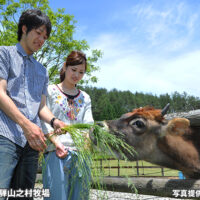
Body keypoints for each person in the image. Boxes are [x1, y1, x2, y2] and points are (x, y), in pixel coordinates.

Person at [0, 9, 65, 199]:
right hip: (5, 136)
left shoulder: (42, 71)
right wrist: (26, 124)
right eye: (38, 33)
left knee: (23, 195)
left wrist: (54, 122)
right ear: (24, 28)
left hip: (32, 143)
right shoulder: (4, 53)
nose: (42, 40)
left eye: (45, 37)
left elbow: (41, 107)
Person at [41, 50, 94, 200]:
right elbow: (44, 121)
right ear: (65, 67)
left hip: (80, 154)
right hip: (55, 152)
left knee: (80, 196)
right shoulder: (50, 91)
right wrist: (56, 143)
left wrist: (85, 144)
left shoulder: (85, 97)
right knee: (56, 196)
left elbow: (88, 124)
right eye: (74, 70)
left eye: (81, 72)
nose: (76, 75)